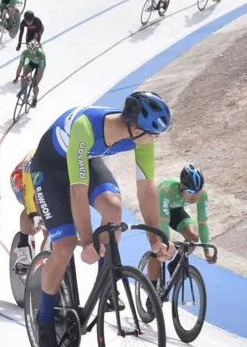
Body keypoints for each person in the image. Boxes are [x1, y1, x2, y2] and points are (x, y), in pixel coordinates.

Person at [30, 91, 176, 346]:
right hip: (49, 168)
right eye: (152, 132)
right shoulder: (86, 128)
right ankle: (44, 319)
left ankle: (105, 283)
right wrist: (87, 241)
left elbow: (146, 188)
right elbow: (78, 190)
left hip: (85, 160)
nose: (155, 138)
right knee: (64, 246)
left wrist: (156, 239)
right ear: (134, 126)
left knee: (113, 207)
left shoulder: (141, 138)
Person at [148, 163, 215, 297]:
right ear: (182, 186)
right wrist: (165, 245)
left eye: (197, 191)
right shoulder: (168, 190)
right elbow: (163, 221)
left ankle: (175, 265)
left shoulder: (202, 195)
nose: (194, 196)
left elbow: (203, 222)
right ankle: (152, 292)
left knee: (193, 236)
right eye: (190, 192)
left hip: (175, 210)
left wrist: (207, 250)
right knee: (159, 249)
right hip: (156, 210)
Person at [10, 150, 42, 273]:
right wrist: (33, 214)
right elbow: (29, 195)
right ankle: (23, 245)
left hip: (42, 178)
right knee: (33, 204)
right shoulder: (31, 162)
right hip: (20, 177)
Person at [13, 40, 46, 108]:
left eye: (34, 51)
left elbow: (40, 71)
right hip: (31, 63)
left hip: (40, 66)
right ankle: (23, 90)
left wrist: (36, 81)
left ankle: (34, 99)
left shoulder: (41, 54)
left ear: (37, 49)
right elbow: (20, 66)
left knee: (35, 84)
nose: (33, 53)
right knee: (23, 75)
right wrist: (16, 77)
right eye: (31, 51)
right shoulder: (25, 52)